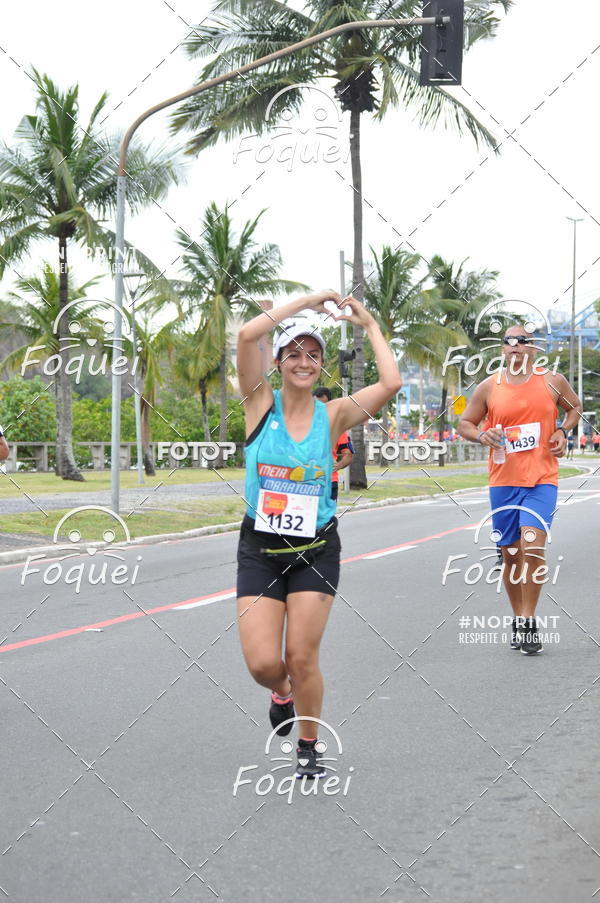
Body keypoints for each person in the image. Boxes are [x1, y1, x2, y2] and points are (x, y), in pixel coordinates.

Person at [236, 289, 401, 777]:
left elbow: (390, 382)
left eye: (313, 355)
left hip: (316, 551)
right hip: (260, 551)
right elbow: (248, 334)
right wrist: (310, 301)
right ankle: (281, 694)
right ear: (281, 362)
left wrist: (369, 325)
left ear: (321, 366)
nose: (304, 362)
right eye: (294, 353)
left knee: (300, 655)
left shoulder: (334, 416)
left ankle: (309, 743)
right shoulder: (258, 406)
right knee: (266, 664)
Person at [458, 325, 581, 655]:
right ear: (502, 350)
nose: (514, 347)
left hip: (542, 479)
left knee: (533, 548)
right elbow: (465, 424)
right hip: (503, 481)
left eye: (521, 342)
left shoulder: (552, 381)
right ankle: (518, 618)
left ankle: (528, 620)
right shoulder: (489, 387)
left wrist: (562, 431)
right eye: (508, 342)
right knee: (511, 556)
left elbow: (575, 407)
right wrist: (479, 435)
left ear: (532, 349)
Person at [313, 386, 354, 500]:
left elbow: (348, 455)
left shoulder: (337, 428)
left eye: (323, 405)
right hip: (305, 481)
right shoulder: (301, 424)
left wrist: (339, 465)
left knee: (327, 517)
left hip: (329, 482)